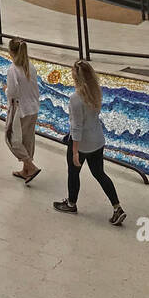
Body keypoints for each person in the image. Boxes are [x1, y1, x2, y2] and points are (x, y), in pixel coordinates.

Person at [53, 60, 126, 224]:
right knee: (100, 173)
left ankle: (71, 203)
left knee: (73, 172)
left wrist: (75, 151)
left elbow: (77, 126)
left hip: (82, 143)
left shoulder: (76, 98)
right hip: (98, 140)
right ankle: (117, 207)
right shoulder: (95, 91)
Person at [5, 38, 41, 183]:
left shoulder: (13, 70)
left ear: (11, 52)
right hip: (33, 107)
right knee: (28, 138)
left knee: (11, 138)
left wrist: (5, 90)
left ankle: (31, 166)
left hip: (20, 108)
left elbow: (12, 92)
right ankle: (26, 170)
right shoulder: (30, 67)